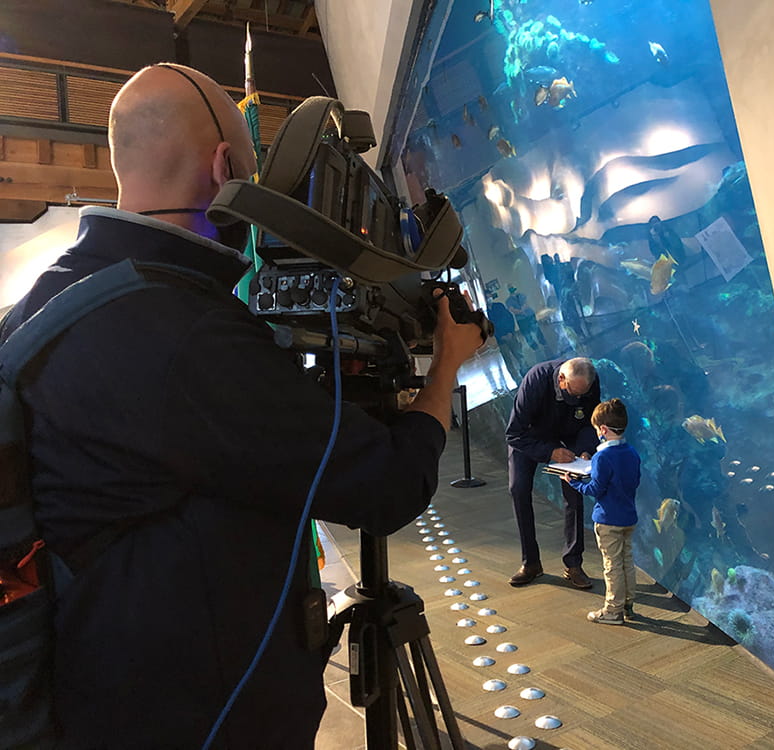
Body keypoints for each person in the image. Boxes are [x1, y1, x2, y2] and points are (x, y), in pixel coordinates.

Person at [0, 64, 484, 748]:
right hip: (196, 721)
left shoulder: (49, 301)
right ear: (225, 166)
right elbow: (388, 485)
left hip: (95, 692)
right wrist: (447, 369)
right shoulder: (182, 332)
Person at [505, 357, 600, 589]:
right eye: (573, 393)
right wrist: (550, 452)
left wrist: (586, 449)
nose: (577, 399)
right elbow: (514, 434)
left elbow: (591, 422)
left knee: (574, 490)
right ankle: (531, 563)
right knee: (518, 489)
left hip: (570, 433)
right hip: (530, 436)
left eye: (582, 394)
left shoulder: (590, 383)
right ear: (560, 379)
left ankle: (573, 563)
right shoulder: (535, 381)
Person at [564, 398, 642, 625]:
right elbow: (633, 481)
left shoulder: (602, 457)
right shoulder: (632, 452)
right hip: (629, 516)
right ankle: (628, 605)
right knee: (627, 561)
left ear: (603, 430)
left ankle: (612, 611)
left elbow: (595, 489)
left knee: (612, 565)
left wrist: (574, 482)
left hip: (608, 519)